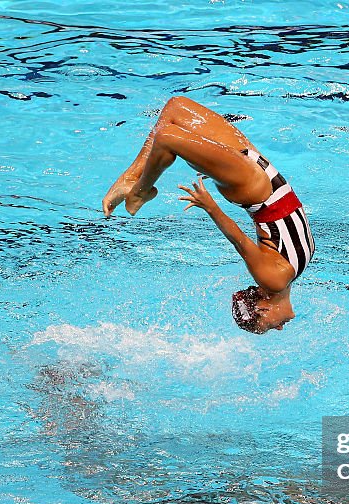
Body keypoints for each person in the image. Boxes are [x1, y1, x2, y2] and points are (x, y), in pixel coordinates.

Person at [102, 96, 315, 333]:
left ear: (262, 310)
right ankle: (132, 181)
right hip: (261, 174)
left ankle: (139, 192)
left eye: (267, 327)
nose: (278, 329)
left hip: (250, 185)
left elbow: (240, 241)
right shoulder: (284, 279)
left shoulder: (272, 280)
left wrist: (211, 207)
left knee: (168, 138)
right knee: (176, 109)